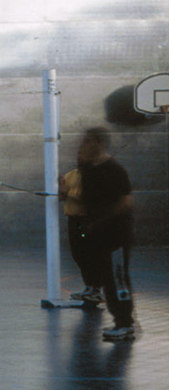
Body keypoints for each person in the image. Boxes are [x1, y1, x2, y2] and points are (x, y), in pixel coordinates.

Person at [75, 128, 137, 341]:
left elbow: (126, 201)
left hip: (116, 236)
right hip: (98, 236)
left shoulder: (115, 170)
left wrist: (102, 220)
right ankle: (119, 322)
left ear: (99, 143)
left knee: (117, 280)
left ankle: (126, 324)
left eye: (87, 142)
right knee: (106, 280)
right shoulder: (88, 170)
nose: (82, 146)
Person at [58, 163, 102, 305]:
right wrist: (61, 188)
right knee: (77, 253)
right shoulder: (71, 175)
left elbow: (87, 198)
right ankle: (89, 287)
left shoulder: (93, 176)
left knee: (87, 252)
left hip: (86, 220)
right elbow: (62, 197)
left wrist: (65, 191)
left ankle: (96, 290)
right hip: (73, 220)